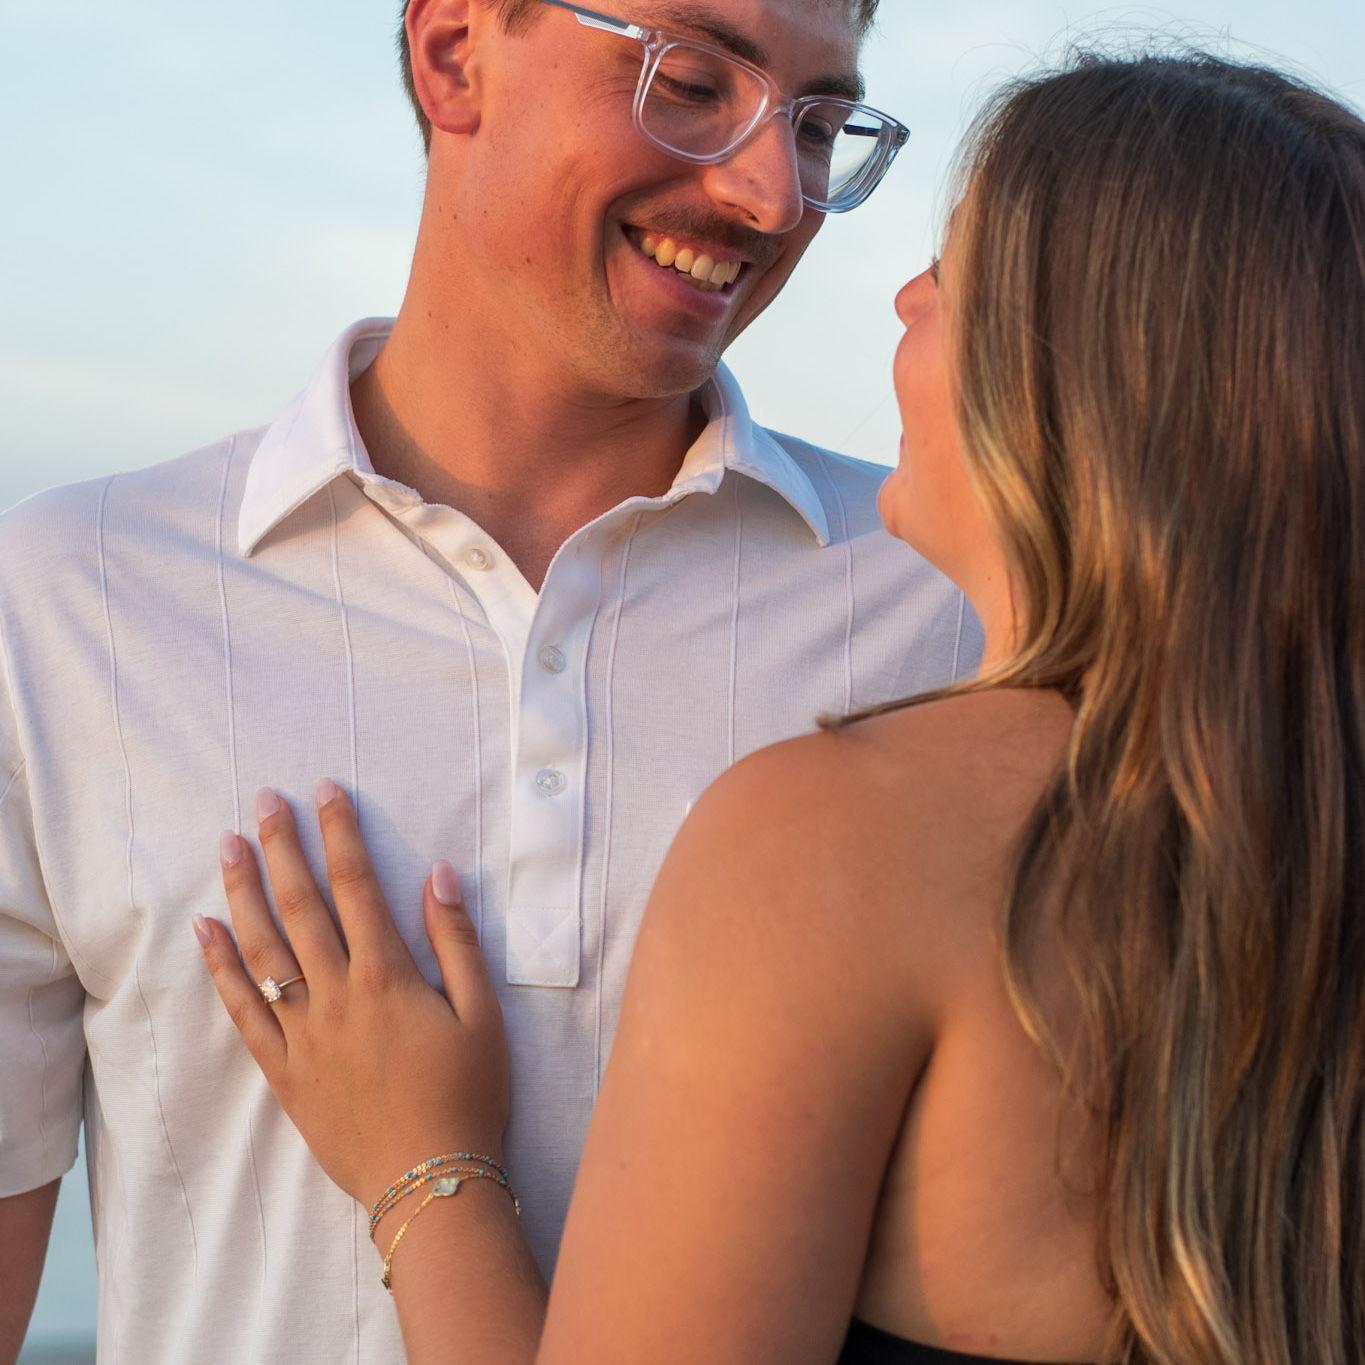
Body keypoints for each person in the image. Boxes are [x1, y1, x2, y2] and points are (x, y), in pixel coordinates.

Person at [199, 47, 1365, 1365]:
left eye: (961, 274)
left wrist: (428, 1171)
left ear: (1090, 379)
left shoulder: (845, 834)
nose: (905, 298)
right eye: (693, 85)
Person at [0, 2, 975, 1362]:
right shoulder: (66, 600)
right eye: (693, 83)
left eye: (817, 125)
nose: (770, 194)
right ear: (454, 53)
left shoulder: (953, 608)